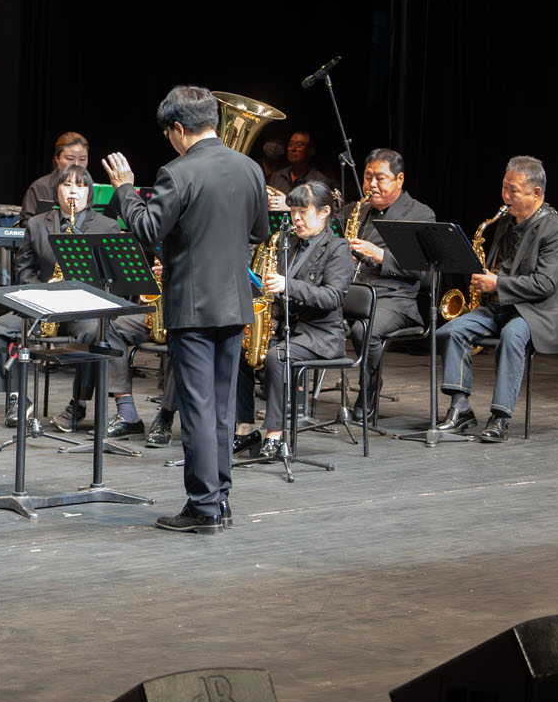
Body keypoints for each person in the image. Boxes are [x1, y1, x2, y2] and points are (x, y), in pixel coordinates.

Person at [105, 85, 269, 536]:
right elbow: (258, 232)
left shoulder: (176, 172)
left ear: (178, 128)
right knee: (221, 409)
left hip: (193, 308)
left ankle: (202, 507)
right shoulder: (250, 168)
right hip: (234, 304)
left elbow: (146, 229)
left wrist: (124, 189)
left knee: (197, 409)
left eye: (168, 134)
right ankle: (221, 498)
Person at [0, 165, 150, 434]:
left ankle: (79, 404)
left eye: (80, 185)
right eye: (67, 185)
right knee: (2, 327)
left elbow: (114, 281)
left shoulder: (107, 225)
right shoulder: (37, 224)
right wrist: (43, 295)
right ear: (57, 191)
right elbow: (24, 271)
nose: (73, 191)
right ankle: (17, 398)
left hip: (84, 309)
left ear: (90, 193)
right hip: (45, 307)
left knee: (94, 331)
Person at [435, 156, 558, 443]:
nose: (505, 196)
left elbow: (545, 284)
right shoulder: (504, 224)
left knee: (512, 335)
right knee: (451, 331)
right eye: (504, 187)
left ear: (536, 193)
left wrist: (497, 283)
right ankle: (460, 408)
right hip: (502, 306)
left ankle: (500, 417)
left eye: (513, 190)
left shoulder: (556, 230)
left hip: (540, 312)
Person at [234, 181, 353, 462]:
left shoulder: (339, 248)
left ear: (324, 212)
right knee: (239, 349)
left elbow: (333, 297)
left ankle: (274, 435)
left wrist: (288, 285)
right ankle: (245, 428)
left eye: (302, 212)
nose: (295, 219)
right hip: (287, 329)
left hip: (321, 336)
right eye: (292, 212)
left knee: (277, 356)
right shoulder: (287, 243)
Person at [337, 148, 435, 421]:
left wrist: (380, 256)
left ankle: (369, 389)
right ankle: (296, 399)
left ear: (399, 179)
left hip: (394, 299)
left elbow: (423, 272)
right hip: (354, 293)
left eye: (380, 178)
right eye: (368, 177)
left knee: (363, 330)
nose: (372, 185)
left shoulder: (420, 214)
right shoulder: (357, 211)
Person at [19, 132, 91, 224]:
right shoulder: (40, 187)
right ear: (57, 158)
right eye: (70, 158)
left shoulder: (93, 187)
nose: (77, 164)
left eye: (82, 159)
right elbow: (27, 222)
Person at [265, 131, 336, 210]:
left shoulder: (320, 181)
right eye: (291, 145)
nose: (293, 149)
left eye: (299, 145)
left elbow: (322, 211)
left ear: (310, 151)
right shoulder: (276, 176)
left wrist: (290, 208)